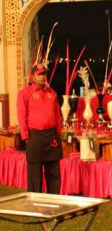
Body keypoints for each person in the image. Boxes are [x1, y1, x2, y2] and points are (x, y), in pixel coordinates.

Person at [17, 63, 63, 194]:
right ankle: (35, 200)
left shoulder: (51, 92)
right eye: (39, 75)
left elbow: (57, 114)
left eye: (44, 74)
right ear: (32, 77)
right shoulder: (24, 93)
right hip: (35, 136)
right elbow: (21, 115)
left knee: (54, 172)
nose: (42, 77)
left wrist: (58, 132)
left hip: (51, 136)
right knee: (34, 173)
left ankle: (54, 199)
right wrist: (25, 136)